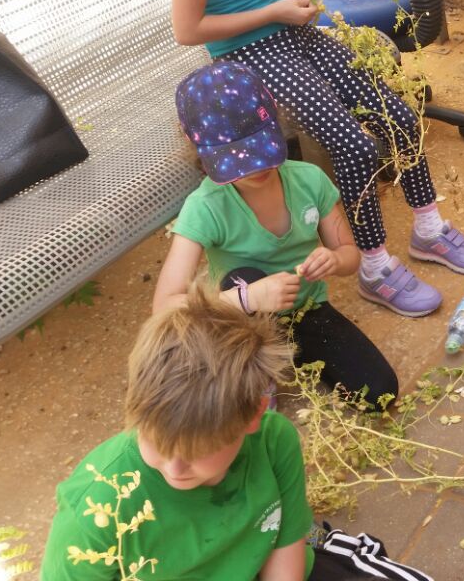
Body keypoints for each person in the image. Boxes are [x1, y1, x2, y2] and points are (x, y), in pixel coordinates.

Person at [169, 0, 464, 318]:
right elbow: (188, 27)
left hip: (288, 32)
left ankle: (429, 229)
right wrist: (274, 13)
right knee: (355, 146)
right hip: (251, 53)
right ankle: (374, 268)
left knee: (396, 115)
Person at [40, 287, 434, 580]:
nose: (174, 468)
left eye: (198, 451)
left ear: (253, 416)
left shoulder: (274, 439)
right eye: (156, 443)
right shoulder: (100, 505)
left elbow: (285, 547)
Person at [155, 61, 398, 405]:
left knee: (379, 394)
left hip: (305, 309)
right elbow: (165, 307)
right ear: (194, 144)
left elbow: (349, 256)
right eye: (240, 159)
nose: (258, 167)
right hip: (240, 324)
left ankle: (284, 358)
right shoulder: (205, 206)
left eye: (261, 151)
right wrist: (248, 298)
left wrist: (333, 258)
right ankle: (258, 367)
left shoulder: (308, 180)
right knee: (233, 405)